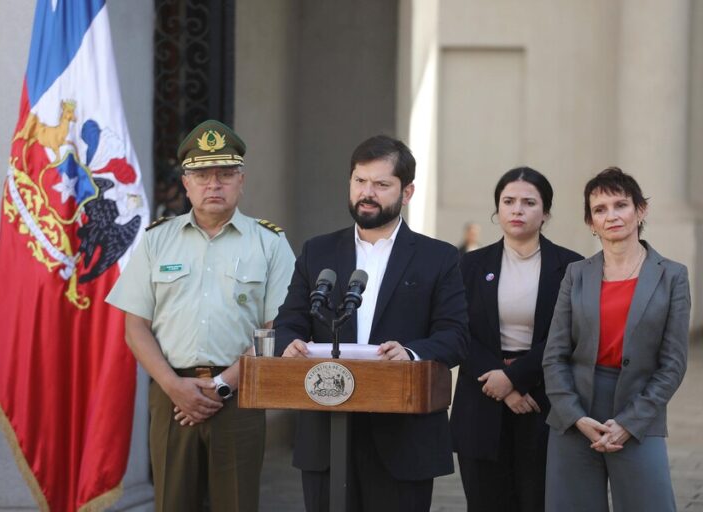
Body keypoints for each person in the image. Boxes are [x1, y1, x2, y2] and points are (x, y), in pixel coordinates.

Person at [106, 119, 296, 511]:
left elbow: (278, 328)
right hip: (172, 395)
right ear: (186, 183)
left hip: (241, 395)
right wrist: (174, 385)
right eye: (203, 175)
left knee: (237, 504)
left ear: (241, 181)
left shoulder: (270, 243)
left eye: (225, 174)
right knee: (173, 502)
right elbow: (135, 326)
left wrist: (224, 384)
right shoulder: (157, 240)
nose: (214, 184)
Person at [274, 134, 469, 512]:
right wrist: (289, 343)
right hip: (326, 435)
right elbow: (290, 321)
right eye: (360, 181)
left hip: (402, 439)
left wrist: (411, 352)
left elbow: (456, 336)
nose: (368, 193)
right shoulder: (318, 251)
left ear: (406, 192)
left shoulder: (438, 257)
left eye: (381, 185)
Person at [542, 167, 690, 511]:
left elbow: (673, 363)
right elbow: (555, 354)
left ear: (640, 210)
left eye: (620, 205)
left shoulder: (672, 276)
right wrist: (573, 415)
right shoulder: (576, 274)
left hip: (639, 411)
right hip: (574, 414)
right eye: (599, 209)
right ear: (591, 223)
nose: (611, 216)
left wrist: (630, 422)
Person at [450, 167, 583, 511]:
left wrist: (514, 379)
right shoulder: (470, 264)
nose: (517, 210)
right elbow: (456, 329)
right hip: (481, 395)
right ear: (497, 209)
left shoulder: (570, 266)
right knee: (485, 502)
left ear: (546, 212)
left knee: (537, 500)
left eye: (528, 202)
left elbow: (569, 335)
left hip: (541, 396)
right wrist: (500, 382)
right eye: (508, 201)